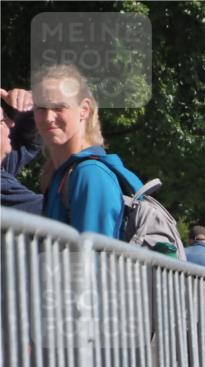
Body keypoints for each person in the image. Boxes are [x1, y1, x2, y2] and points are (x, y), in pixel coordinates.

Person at [33, 65, 148, 242]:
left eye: (59, 108)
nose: (48, 117)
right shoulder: (60, 173)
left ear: (84, 109)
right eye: (41, 108)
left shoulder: (90, 173)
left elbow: (94, 256)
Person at [1, 87, 43, 214]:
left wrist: (32, 104)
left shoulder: (4, 164)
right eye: (2, 121)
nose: (11, 124)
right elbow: (50, 210)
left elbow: (28, 141)